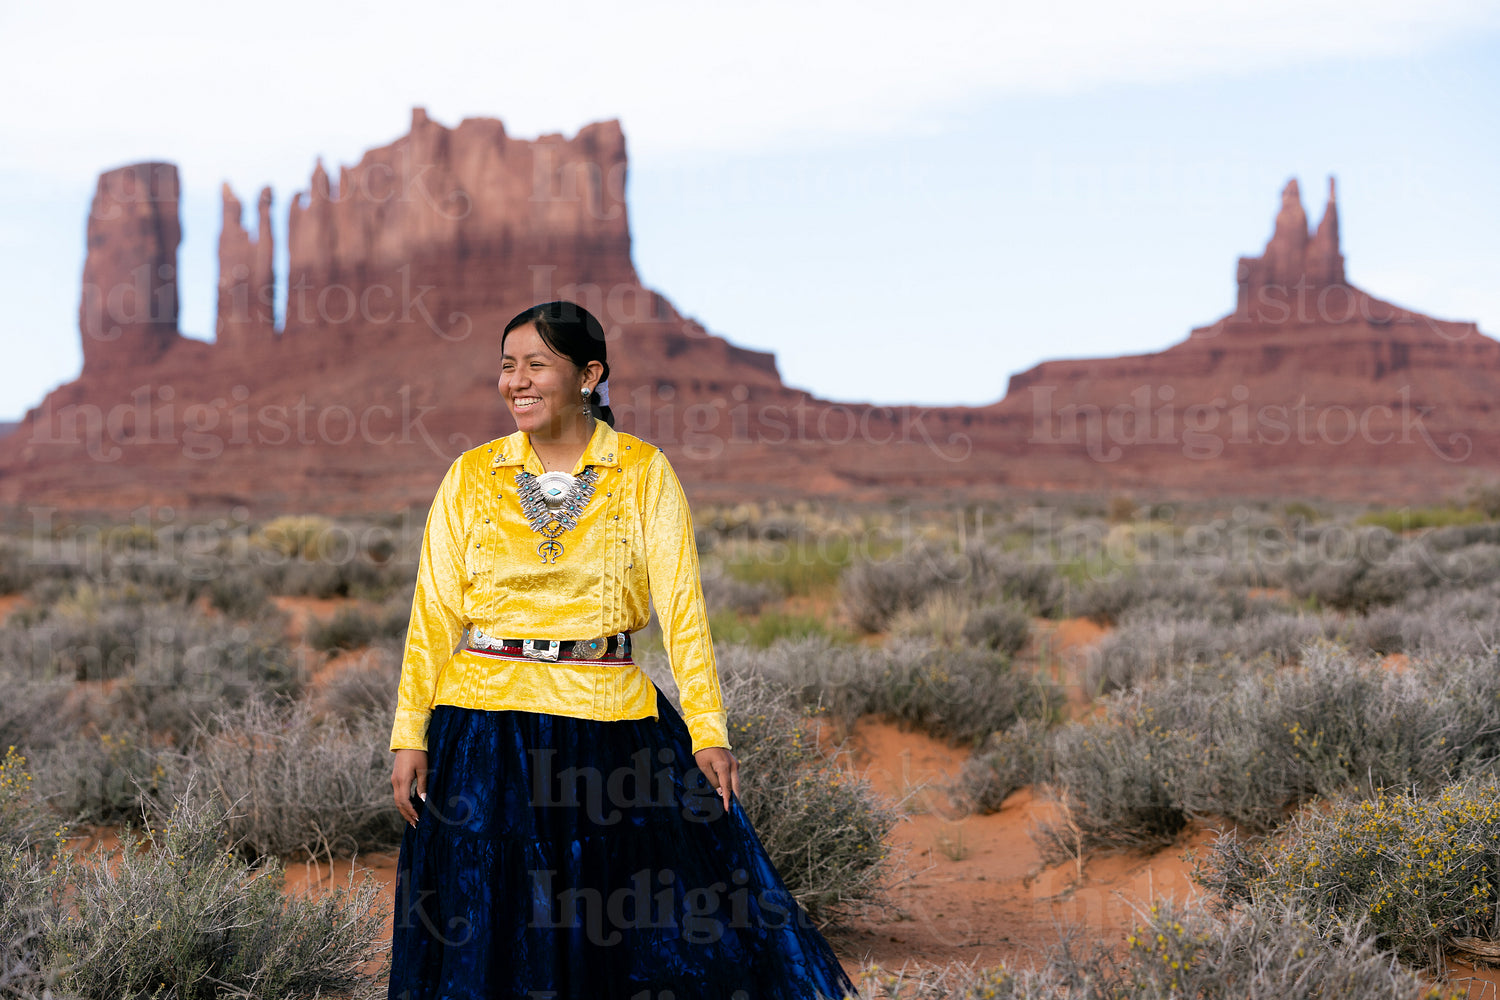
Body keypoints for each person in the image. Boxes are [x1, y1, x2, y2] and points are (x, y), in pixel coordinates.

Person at [388, 301, 858, 999]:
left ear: (589, 375)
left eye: (535, 365)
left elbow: (682, 610)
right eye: (506, 365)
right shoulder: (470, 475)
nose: (515, 381)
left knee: (622, 921)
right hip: (481, 728)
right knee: (487, 918)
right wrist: (409, 732)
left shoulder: (642, 471)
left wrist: (708, 729)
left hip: (608, 729)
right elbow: (432, 613)